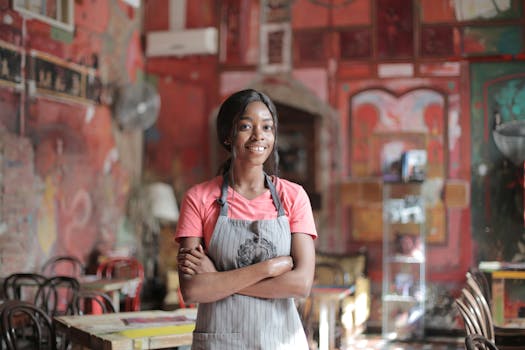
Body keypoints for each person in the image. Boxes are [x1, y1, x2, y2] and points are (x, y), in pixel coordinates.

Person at [175, 88, 317, 349]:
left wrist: (217, 279)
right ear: (228, 136)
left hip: (281, 341)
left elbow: (301, 284)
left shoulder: (293, 197)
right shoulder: (199, 198)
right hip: (221, 342)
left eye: (267, 127)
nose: (258, 136)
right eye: (245, 126)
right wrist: (268, 269)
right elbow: (193, 290)